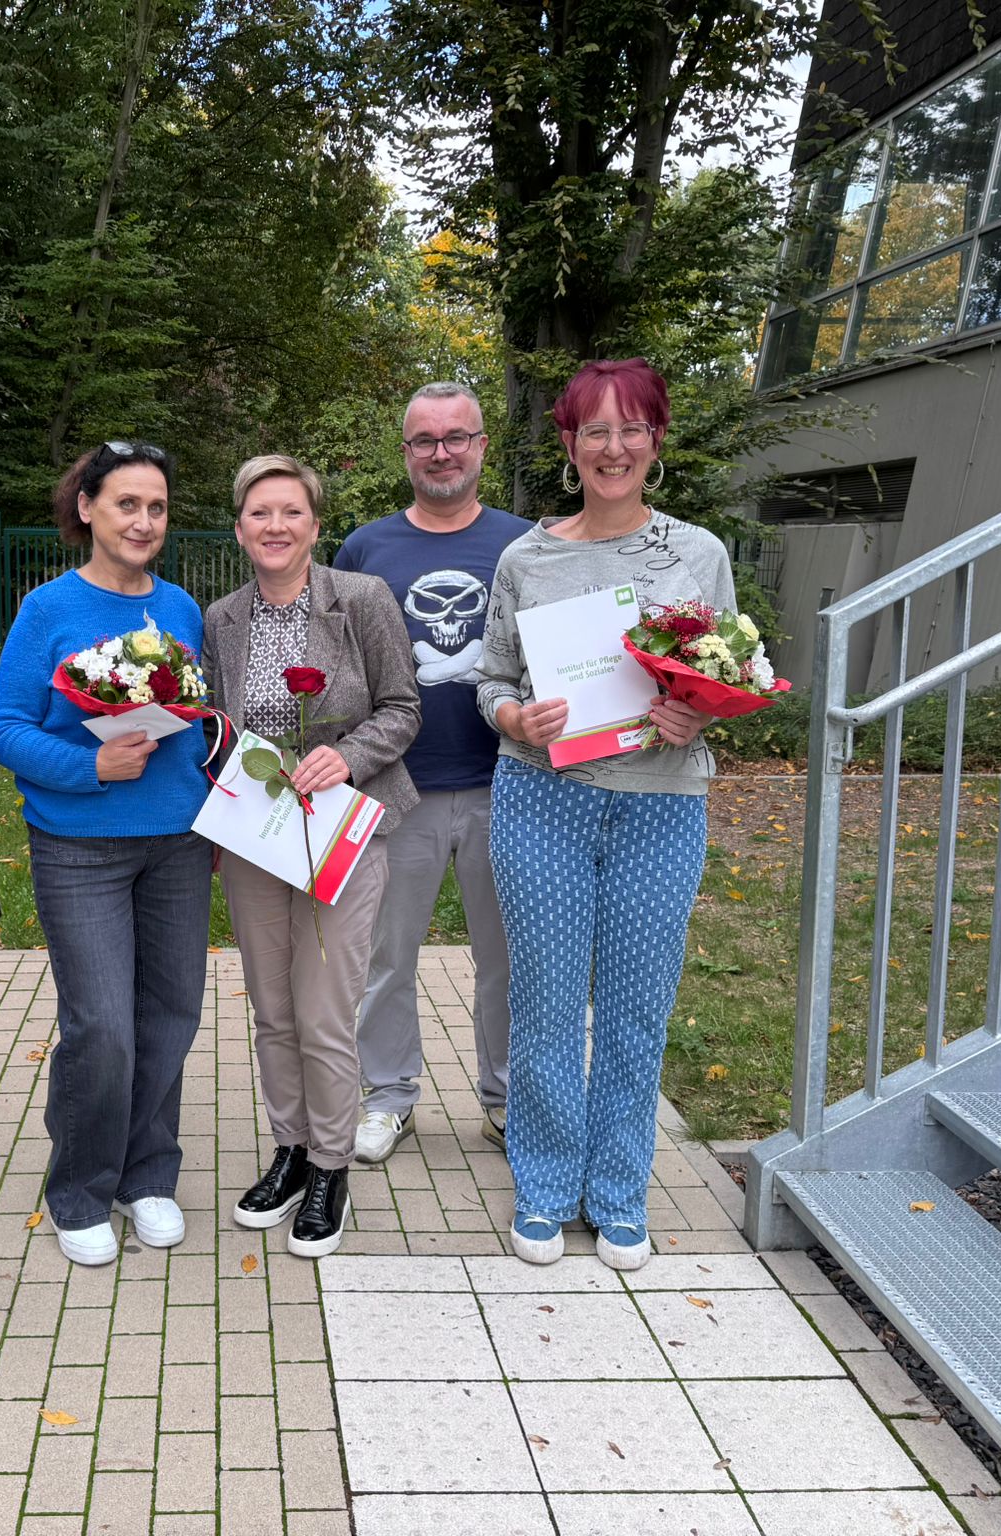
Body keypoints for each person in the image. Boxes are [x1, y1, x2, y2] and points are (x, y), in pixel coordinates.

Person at [476, 358, 731, 1271]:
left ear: (656, 440)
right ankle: (544, 1186)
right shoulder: (526, 557)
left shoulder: (698, 554)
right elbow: (492, 677)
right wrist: (514, 716)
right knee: (545, 1003)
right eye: (595, 431)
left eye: (632, 429)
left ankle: (620, 1191)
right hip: (542, 797)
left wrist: (697, 711)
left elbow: (724, 675)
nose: (613, 447)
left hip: (661, 805)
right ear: (569, 444)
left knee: (635, 1007)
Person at [0, 441, 214, 1267]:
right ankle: (79, 1188)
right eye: (127, 504)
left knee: (170, 1015)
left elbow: (195, 718)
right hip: (79, 846)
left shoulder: (182, 610)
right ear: (86, 508)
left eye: (156, 507)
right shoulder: (48, 610)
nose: (144, 521)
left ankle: (148, 1175)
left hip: (177, 845)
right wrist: (90, 766)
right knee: (102, 1027)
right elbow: (7, 727)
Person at [206, 456, 420, 1259]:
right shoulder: (221, 617)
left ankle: (333, 1164)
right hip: (257, 834)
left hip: (343, 827)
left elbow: (404, 707)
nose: (275, 526)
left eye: (291, 512)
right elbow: (218, 726)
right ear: (239, 527)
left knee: (325, 1007)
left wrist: (349, 755)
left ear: (315, 525)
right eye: (259, 513)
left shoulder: (361, 600)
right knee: (272, 1008)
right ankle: (290, 1150)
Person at [334, 382, 531, 1164]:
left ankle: (509, 1100)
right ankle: (387, 1098)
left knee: (508, 960)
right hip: (395, 788)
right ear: (406, 451)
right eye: (425, 439)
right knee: (386, 958)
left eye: (457, 436)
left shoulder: (525, 545)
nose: (442, 452)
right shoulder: (365, 549)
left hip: (507, 783)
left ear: (483, 446)